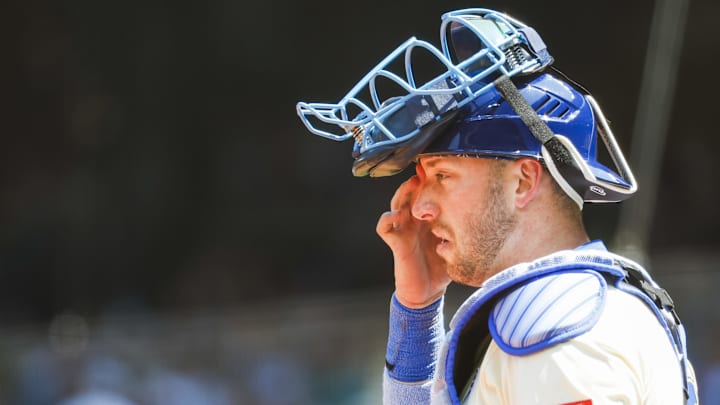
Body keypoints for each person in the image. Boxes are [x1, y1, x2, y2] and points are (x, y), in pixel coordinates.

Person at [296, 8, 698, 404]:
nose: (418, 207)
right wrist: (418, 312)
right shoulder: (554, 316)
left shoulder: (558, 330)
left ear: (523, 181)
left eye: (442, 175)